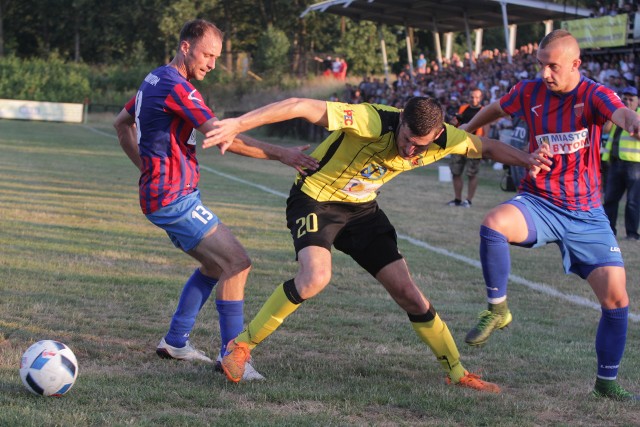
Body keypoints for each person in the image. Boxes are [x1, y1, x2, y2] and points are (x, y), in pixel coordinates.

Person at [203, 96, 550, 390]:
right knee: (315, 277)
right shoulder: (371, 119)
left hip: (363, 212)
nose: (411, 149)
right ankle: (241, 346)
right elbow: (299, 105)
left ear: (438, 135)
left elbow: (486, 146)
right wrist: (237, 124)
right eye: (408, 139)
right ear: (400, 122)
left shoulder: (446, 139)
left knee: (410, 294)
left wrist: (528, 159)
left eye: (421, 144)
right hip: (316, 200)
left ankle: (457, 372)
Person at [112, 19, 319, 381]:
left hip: (165, 196)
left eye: (216, 57)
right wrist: (281, 154)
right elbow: (225, 138)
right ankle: (232, 358)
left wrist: (147, 169)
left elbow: (121, 123)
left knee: (214, 267)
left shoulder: (154, 79)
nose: (211, 63)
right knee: (237, 263)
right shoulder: (180, 89)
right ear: (185, 47)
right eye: (207, 55)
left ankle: (175, 341)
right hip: (174, 199)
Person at [460, 29, 640, 400]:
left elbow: (618, 111)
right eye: (541, 65)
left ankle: (606, 383)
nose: (544, 73)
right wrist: (468, 128)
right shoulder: (528, 91)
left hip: (587, 213)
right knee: (493, 223)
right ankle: (497, 310)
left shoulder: (593, 93)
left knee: (617, 301)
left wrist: (630, 121)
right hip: (539, 202)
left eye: (553, 66)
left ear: (576, 64)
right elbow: (495, 108)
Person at [602, 86, 640, 240]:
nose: (628, 102)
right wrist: (613, 115)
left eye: (631, 99)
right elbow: (606, 130)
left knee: (633, 201)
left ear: (638, 101)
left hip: (634, 164)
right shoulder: (618, 113)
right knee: (610, 199)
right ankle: (609, 231)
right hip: (615, 163)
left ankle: (632, 234)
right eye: (625, 99)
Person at [447, 88, 489, 207]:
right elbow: (456, 124)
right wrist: (454, 123)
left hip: (475, 145)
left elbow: (486, 130)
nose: (474, 99)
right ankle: (457, 199)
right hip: (459, 143)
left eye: (476, 97)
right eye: (472, 96)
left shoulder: (484, 111)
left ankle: (468, 200)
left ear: (481, 98)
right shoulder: (463, 108)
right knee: (455, 172)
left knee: (472, 174)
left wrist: (484, 147)